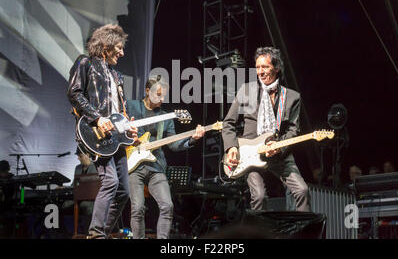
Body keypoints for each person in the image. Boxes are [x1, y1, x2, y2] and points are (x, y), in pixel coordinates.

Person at [67, 23, 138, 239]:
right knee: (110, 182)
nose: (122, 52)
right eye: (118, 47)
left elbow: (119, 110)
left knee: (124, 191)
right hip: (95, 134)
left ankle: (103, 233)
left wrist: (128, 128)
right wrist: (96, 119)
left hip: (116, 137)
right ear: (106, 45)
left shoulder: (116, 76)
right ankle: (96, 233)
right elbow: (74, 93)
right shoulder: (85, 62)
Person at [222, 46, 310, 211]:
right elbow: (228, 123)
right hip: (250, 155)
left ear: (276, 68)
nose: (260, 72)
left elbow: (292, 130)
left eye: (265, 67)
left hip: (279, 154)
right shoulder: (246, 91)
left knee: (302, 191)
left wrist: (278, 148)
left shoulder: (291, 97)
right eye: (258, 67)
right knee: (259, 197)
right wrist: (231, 147)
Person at [127, 76, 205, 239]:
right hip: (134, 165)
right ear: (148, 91)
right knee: (138, 208)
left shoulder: (165, 117)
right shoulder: (131, 106)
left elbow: (173, 144)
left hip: (156, 166)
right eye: (158, 95)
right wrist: (129, 137)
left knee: (167, 206)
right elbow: (119, 129)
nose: (162, 99)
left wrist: (192, 139)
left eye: (164, 96)